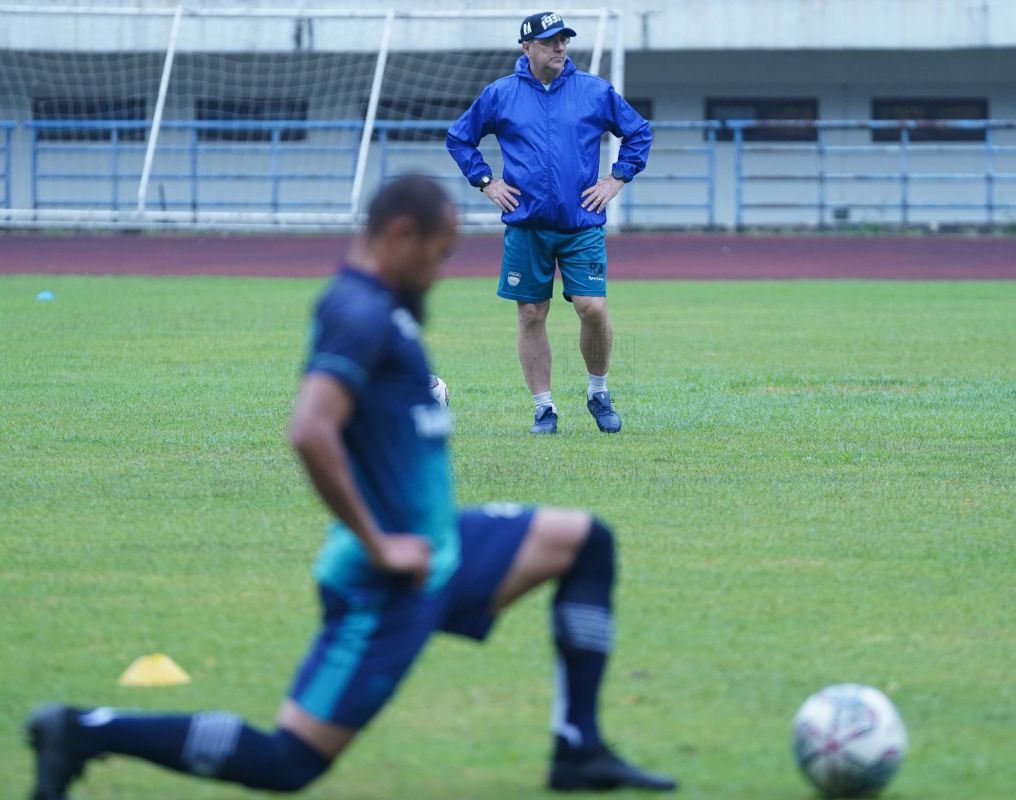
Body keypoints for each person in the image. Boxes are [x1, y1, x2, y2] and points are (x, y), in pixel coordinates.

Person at [25, 175, 677, 799]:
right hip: (388, 582)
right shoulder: (357, 311)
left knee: (586, 542)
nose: (441, 270)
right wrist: (380, 544)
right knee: (289, 760)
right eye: (439, 254)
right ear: (400, 235)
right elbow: (310, 430)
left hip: (441, 548)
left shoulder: (386, 309)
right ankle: (79, 731)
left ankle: (577, 747)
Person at [446, 11, 652, 435]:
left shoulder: (594, 91)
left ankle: (598, 391)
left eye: (564, 40)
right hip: (526, 225)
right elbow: (459, 137)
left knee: (591, 307)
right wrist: (486, 182)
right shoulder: (500, 94)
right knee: (531, 313)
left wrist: (615, 179)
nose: (560, 47)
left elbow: (639, 133)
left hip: (581, 224)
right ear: (527, 48)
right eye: (550, 41)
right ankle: (544, 408)